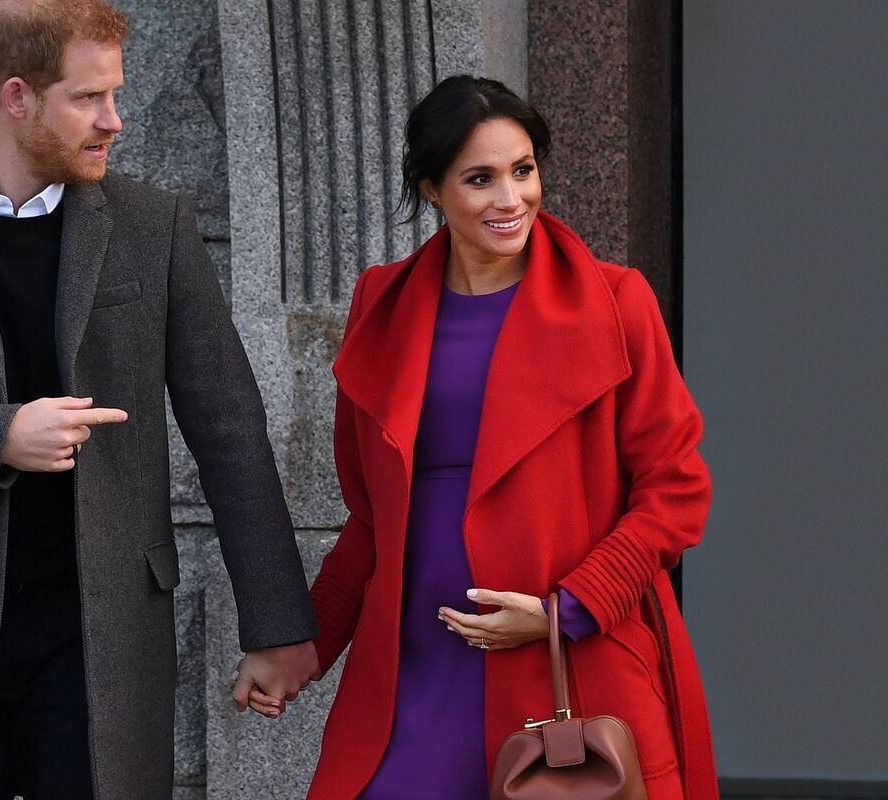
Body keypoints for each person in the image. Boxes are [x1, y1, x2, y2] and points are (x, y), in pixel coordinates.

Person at [0, 1, 316, 798]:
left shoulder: (155, 225)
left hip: (101, 636)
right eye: (89, 98)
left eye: (114, 94)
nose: (114, 120)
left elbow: (228, 426)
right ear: (17, 97)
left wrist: (278, 626)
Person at [242, 75, 717, 800]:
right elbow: (371, 520)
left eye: (523, 170)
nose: (511, 199)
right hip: (414, 667)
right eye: (480, 179)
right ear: (431, 188)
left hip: (569, 664)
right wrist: (308, 644)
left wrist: (566, 611)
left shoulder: (617, 302)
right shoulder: (382, 302)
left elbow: (676, 492)